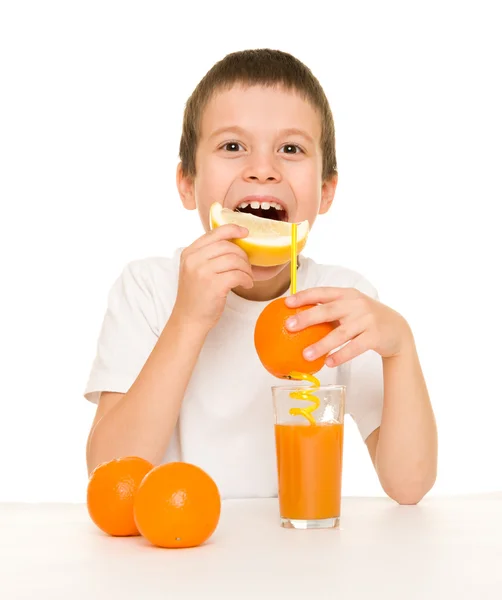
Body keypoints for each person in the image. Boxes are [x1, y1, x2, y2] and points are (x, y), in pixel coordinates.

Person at [84, 48, 437, 504]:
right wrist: (188, 320)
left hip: (293, 558)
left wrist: (400, 346)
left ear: (326, 191)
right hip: (173, 560)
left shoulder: (340, 303)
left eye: (290, 149)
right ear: (188, 183)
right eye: (232, 146)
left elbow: (408, 486)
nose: (263, 170)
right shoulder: (147, 289)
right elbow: (111, 476)